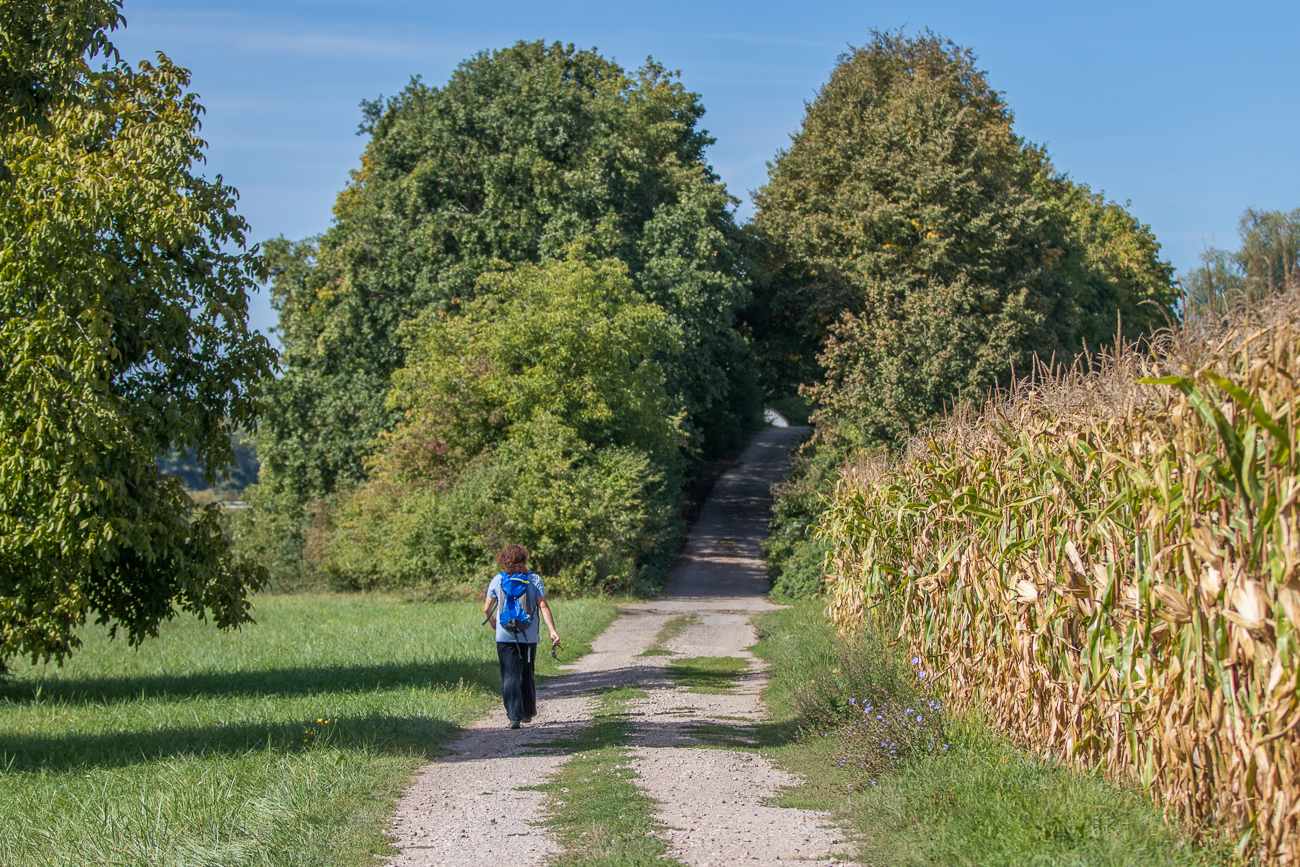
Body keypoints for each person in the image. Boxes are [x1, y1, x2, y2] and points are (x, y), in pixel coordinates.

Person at [483, 544, 560, 729]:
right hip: (529, 636)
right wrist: (552, 630)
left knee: (509, 675)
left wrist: (492, 620)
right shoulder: (533, 579)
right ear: (525, 559)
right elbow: (542, 605)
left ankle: (513, 716)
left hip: (504, 635)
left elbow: (486, 608)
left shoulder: (498, 579)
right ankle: (527, 712)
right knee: (527, 672)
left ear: (503, 559)